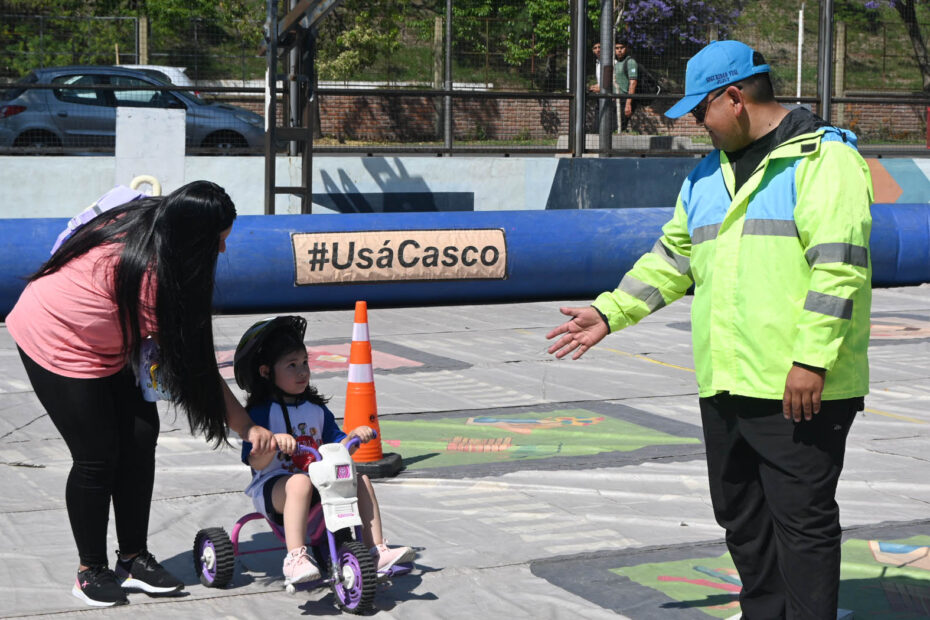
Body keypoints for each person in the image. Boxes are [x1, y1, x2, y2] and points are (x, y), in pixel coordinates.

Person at [547, 40, 872, 619]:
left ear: (735, 98)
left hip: (799, 386)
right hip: (725, 380)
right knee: (743, 520)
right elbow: (673, 259)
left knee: (802, 525)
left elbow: (839, 268)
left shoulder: (823, 161)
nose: (698, 123)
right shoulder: (706, 175)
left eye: (702, 110)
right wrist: (611, 312)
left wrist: (811, 361)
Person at [6, 180, 276, 607]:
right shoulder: (157, 279)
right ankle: (90, 570)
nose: (223, 250)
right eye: (218, 241)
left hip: (113, 339)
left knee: (139, 434)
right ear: (193, 238)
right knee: (97, 456)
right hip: (56, 337)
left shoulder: (156, 218)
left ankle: (132, 559)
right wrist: (245, 425)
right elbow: (195, 369)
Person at [233, 315, 414, 586]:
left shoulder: (316, 410)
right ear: (266, 372)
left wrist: (353, 437)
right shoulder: (261, 413)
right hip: (273, 487)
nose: (302, 371)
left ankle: (376, 550)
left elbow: (336, 446)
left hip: (318, 481)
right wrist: (273, 442)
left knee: (360, 479)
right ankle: (295, 557)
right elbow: (256, 463)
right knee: (299, 482)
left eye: (305, 363)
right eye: (292, 365)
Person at [613, 39, 639, 132]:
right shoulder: (615, 63)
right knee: (613, 128)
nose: (619, 50)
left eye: (622, 48)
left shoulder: (630, 62)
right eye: (617, 48)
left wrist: (628, 104)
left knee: (619, 128)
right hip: (615, 99)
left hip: (625, 99)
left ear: (626, 48)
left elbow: (633, 82)